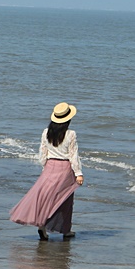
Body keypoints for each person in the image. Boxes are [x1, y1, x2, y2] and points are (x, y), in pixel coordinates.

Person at [9, 102, 84, 241]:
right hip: (65, 168)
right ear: (68, 119)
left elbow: (42, 153)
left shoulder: (46, 132)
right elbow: (73, 155)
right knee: (65, 199)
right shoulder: (71, 134)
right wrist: (78, 173)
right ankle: (65, 230)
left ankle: (44, 226)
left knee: (45, 198)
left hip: (49, 166)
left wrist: (45, 168)